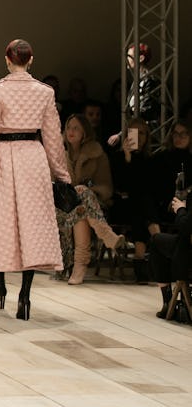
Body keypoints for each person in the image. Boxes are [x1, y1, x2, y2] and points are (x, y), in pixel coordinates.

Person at [0, 39, 71, 321]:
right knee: (32, 225)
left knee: (3, 223)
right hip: (33, 158)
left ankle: (1, 285)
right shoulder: (44, 92)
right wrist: (62, 175)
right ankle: (24, 296)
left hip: (3, 157)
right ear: (31, 60)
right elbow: (53, 137)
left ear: (7, 59)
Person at [58, 114, 125, 285]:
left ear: (85, 133)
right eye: (68, 127)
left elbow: (106, 186)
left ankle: (79, 264)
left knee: (81, 200)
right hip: (63, 207)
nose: (70, 131)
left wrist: (86, 191)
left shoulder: (97, 155)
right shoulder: (58, 154)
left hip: (95, 204)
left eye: (76, 128)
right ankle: (106, 235)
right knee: (79, 201)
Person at [109, 117, 154, 281]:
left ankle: (139, 258)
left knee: (141, 205)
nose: (138, 137)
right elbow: (121, 185)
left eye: (142, 133)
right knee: (142, 204)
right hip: (121, 207)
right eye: (134, 132)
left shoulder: (149, 160)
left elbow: (146, 186)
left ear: (147, 137)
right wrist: (127, 157)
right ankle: (152, 247)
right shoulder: (117, 157)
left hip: (139, 209)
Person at [149, 196, 191, 319]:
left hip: (188, 258)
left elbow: (186, 227)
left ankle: (167, 301)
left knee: (156, 241)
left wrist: (181, 209)